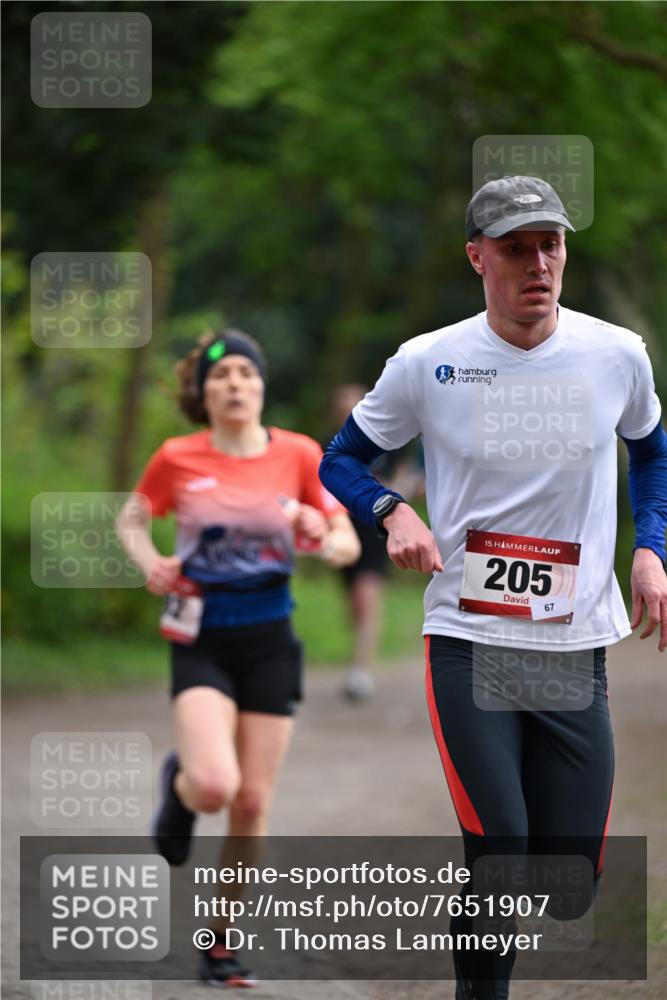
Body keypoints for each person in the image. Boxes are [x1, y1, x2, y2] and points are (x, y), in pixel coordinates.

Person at [320, 176, 667, 999]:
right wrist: (389, 511)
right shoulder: (426, 362)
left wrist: (649, 548)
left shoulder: (615, 353)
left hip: (571, 642)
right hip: (468, 642)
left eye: (549, 245)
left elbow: (651, 452)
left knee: (568, 875)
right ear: (477, 257)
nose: (536, 264)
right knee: (498, 849)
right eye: (514, 248)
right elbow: (337, 458)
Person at [116, 330, 360, 987]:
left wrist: (322, 533)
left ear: (261, 386)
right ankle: (180, 786)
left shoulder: (300, 454)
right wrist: (152, 563)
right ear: (204, 391)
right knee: (215, 786)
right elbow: (131, 518)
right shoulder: (176, 456)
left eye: (247, 375)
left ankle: (220, 944)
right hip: (201, 639)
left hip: (270, 641)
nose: (234, 386)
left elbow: (342, 541)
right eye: (221, 377)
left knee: (251, 803)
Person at [329, 383, 425, 701]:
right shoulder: (331, 448)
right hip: (342, 531)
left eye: (352, 408)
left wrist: (394, 497)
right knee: (353, 602)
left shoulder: (388, 443)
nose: (348, 414)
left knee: (366, 594)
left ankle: (361, 669)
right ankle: (359, 653)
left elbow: (408, 476)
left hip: (376, 529)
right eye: (342, 409)